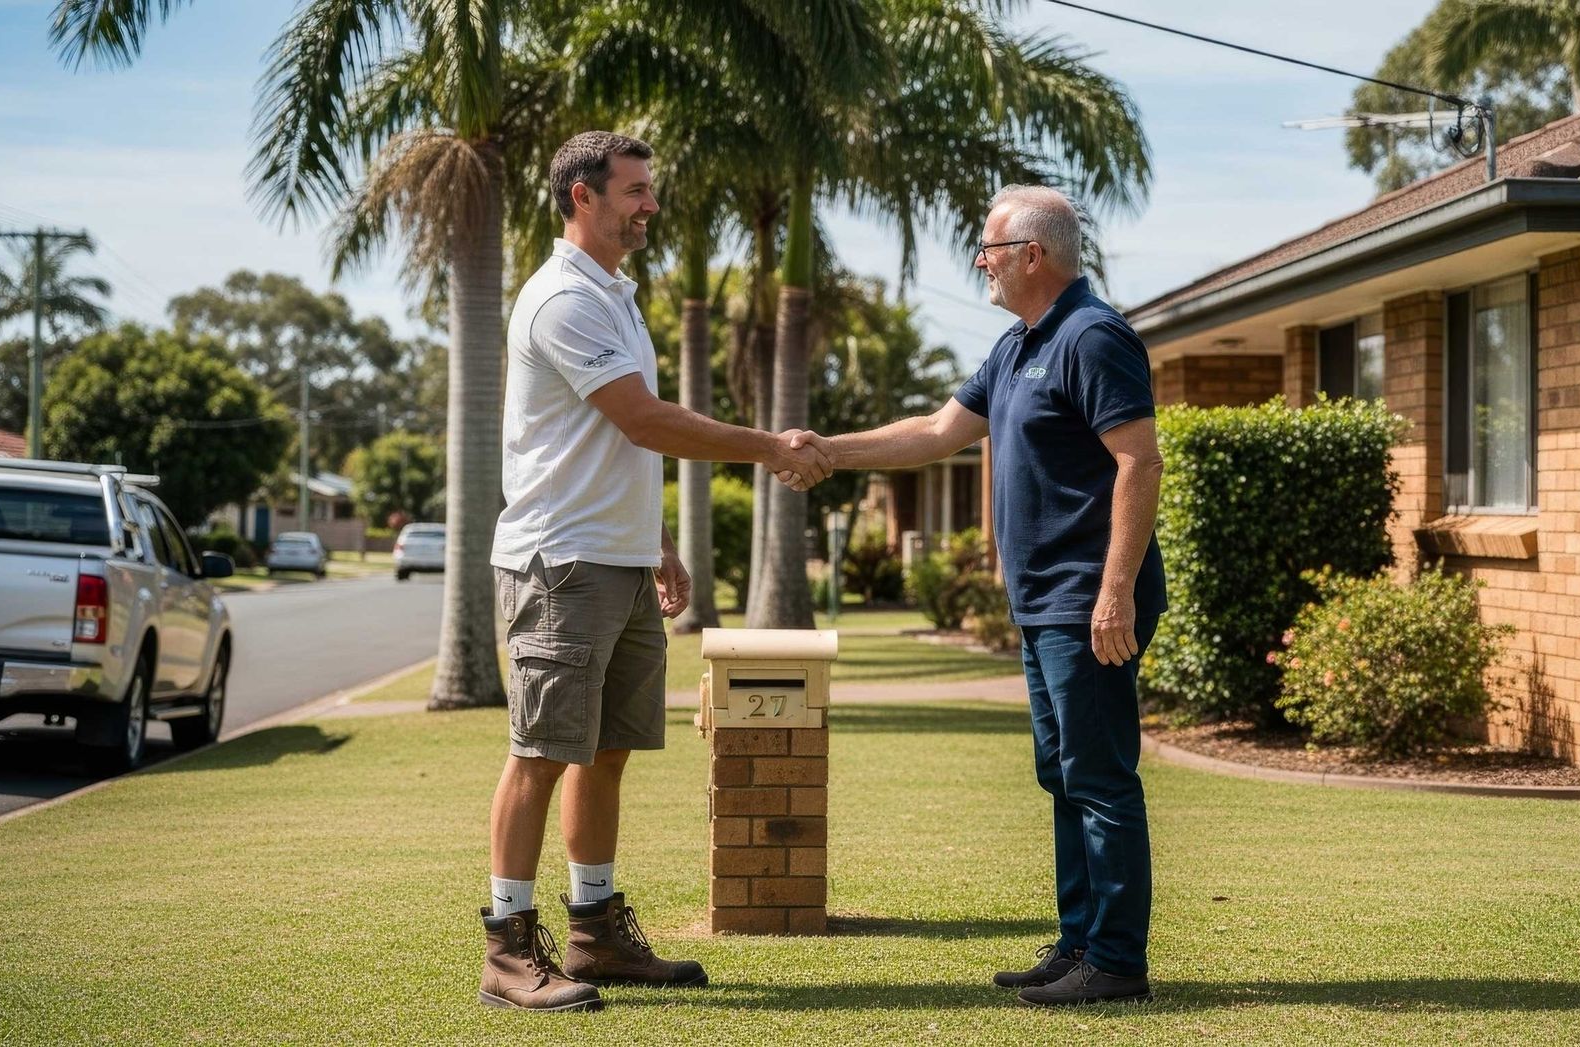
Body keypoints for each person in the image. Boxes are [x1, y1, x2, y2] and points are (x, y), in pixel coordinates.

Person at [480, 130, 831, 1012]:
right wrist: (766, 446)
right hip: (559, 566)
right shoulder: (563, 300)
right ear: (581, 198)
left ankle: (594, 931)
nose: (650, 204)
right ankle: (508, 948)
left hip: (620, 560)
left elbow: (614, 447)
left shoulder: (617, 298)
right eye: (634, 191)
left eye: (649, 189)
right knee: (540, 754)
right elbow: (640, 419)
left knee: (606, 751)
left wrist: (659, 541)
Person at [792, 184, 1165, 1007]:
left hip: (1085, 601)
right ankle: (1078, 944)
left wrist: (1115, 595)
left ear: (1032, 255)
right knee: (1062, 775)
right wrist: (828, 450)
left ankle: (1116, 960)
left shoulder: (1092, 337)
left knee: (1100, 778)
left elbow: (1140, 462)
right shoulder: (1017, 345)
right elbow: (933, 433)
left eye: (989, 251)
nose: (980, 265)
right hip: (1041, 603)